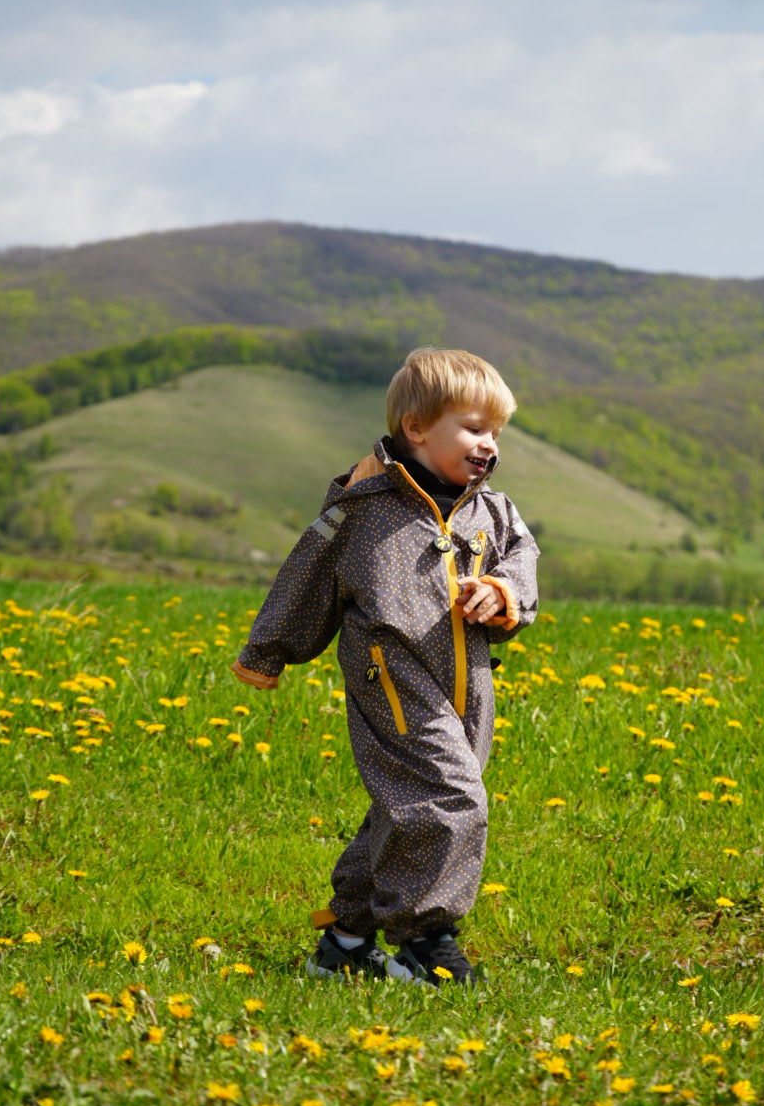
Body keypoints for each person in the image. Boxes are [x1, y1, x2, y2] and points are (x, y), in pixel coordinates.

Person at [231, 346, 539, 986]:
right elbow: (306, 576)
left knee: (409, 804)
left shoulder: (492, 512)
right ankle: (425, 941)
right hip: (393, 681)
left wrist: (503, 594)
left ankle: (344, 940)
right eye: (474, 429)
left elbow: (521, 561)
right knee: (450, 798)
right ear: (418, 428)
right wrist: (269, 651)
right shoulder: (363, 509)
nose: (489, 445)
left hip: (469, 687)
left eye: (496, 433)